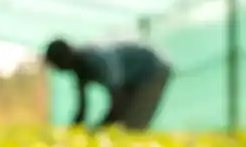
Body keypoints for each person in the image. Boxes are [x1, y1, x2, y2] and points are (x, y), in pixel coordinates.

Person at [43, 38, 173, 131]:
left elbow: (118, 102)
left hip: (152, 69)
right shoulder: (78, 69)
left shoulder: (99, 62)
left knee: (134, 126)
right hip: (131, 77)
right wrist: (75, 132)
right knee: (124, 126)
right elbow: (82, 108)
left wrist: (99, 130)